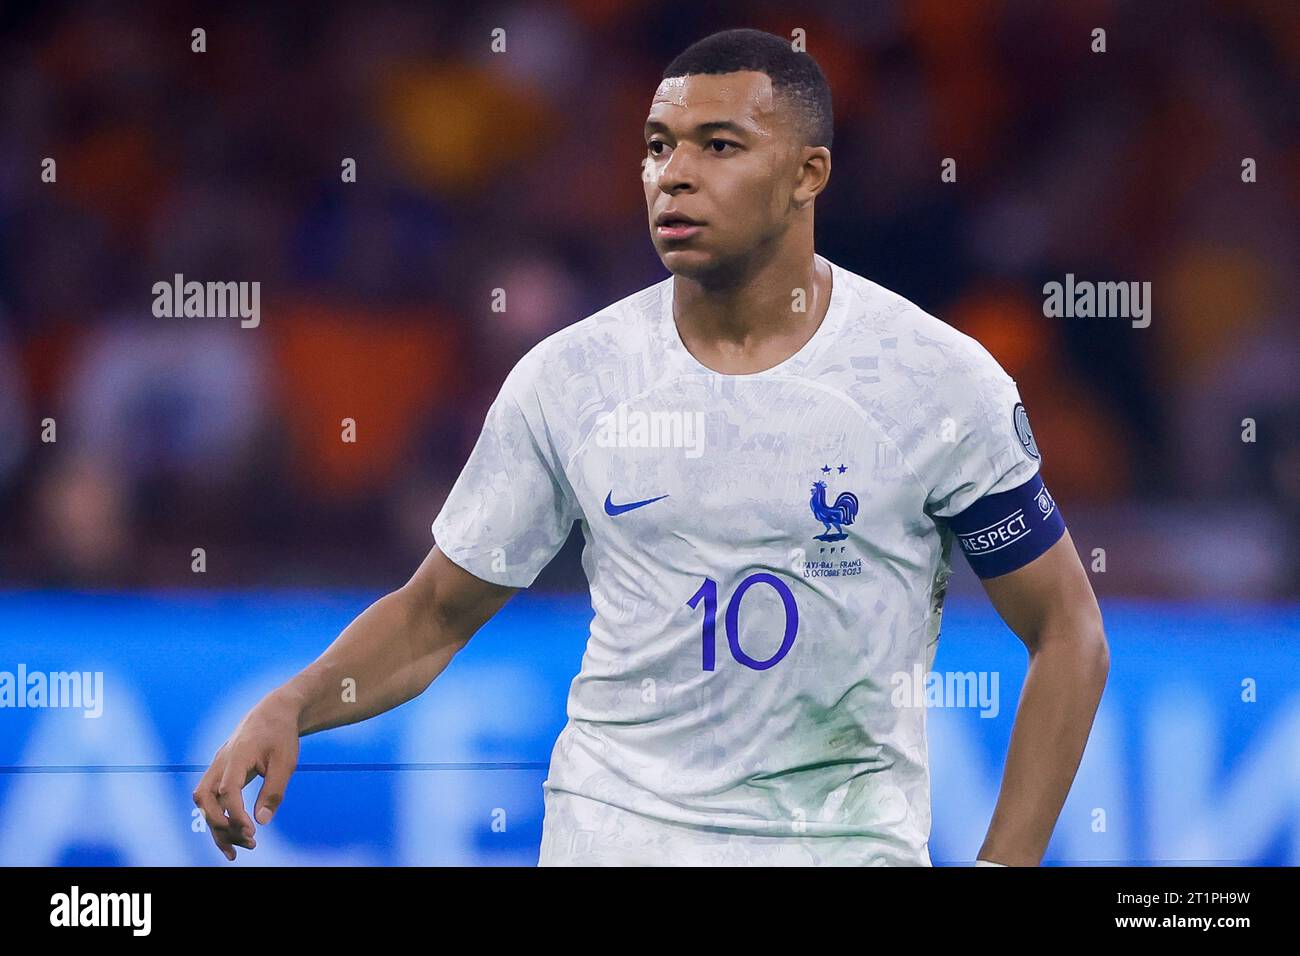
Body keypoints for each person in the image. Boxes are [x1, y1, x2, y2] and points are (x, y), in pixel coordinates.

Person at [195, 28, 1109, 866]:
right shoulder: (574, 378)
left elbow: (1067, 631)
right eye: (657, 145)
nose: (674, 174)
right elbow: (436, 612)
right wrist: (294, 704)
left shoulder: (934, 382)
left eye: (719, 146)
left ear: (808, 174)